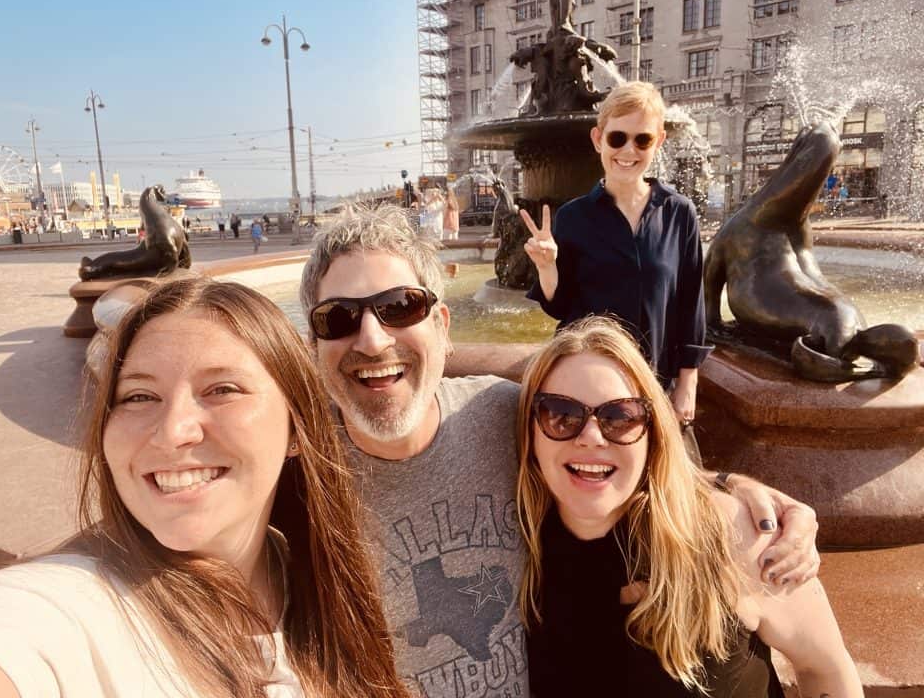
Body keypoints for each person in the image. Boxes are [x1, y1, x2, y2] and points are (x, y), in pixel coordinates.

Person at [299, 204, 821, 696]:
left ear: (442, 326)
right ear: (311, 344)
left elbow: (620, 453)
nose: (372, 340)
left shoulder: (503, 414)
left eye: (399, 307)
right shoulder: (299, 480)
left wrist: (739, 494)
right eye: (338, 318)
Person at [0, 277, 408, 698]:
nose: (172, 431)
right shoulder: (66, 610)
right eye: (139, 396)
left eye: (222, 389)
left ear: (298, 428)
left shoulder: (310, 574)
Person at [517, 317, 862, 697]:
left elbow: (825, 668)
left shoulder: (732, 533)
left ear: (652, 434)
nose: (591, 437)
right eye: (561, 414)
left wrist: (728, 486)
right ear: (528, 432)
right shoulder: (509, 534)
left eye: (620, 417)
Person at [521, 81, 709, 425]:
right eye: (617, 138)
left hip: (654, 381)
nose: (628, 150)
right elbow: (559, 307)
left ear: (659, 142)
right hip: (586, 386)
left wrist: (688, 384)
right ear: (598, 139)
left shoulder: (679, 213)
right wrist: (547, 267)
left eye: (642, 140)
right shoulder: (573, 216)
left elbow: (691, 304)